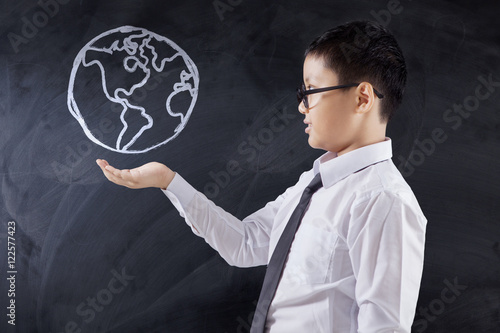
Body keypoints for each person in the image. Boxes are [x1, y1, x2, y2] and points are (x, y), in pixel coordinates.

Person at [97, 20, 427, 332]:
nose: (302, 106)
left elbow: (385, 326)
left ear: (362, 97)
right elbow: (244, 243)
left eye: (311, 90)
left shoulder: (382, 199)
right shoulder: (313, 184)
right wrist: (168, 180)